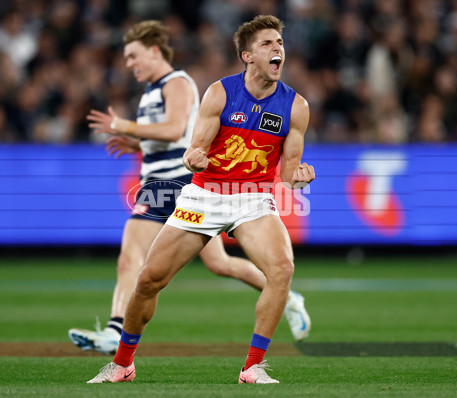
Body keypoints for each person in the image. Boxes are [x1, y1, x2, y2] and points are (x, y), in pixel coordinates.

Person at [86, 15, 315, 385]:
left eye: (280, 44)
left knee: (282, 269)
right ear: (247, 56)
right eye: (268, 44)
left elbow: (288, 173)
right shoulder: (220, 93)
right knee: (148, 279)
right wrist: (193, 157)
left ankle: (252, 366)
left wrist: (300, 180)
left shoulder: (296, 106)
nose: (278, 50)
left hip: (253, 198)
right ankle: (123, 364)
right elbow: (194, 149)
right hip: (206, 194)